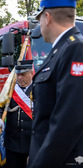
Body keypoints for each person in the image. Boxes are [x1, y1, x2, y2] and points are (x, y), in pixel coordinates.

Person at [28, 0, 83, 167]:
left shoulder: (75, 48)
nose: (40, 27)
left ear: (47, 17)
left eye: (39, 21)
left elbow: (67, 121)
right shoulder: (60, 50)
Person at [0, 60, 33, 168]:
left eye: (23, 74)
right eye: (18, 74)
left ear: (31, 73)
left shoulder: (38, 90)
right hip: (12, 144)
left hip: (32, 144)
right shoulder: (10, 91)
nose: (20, 78)